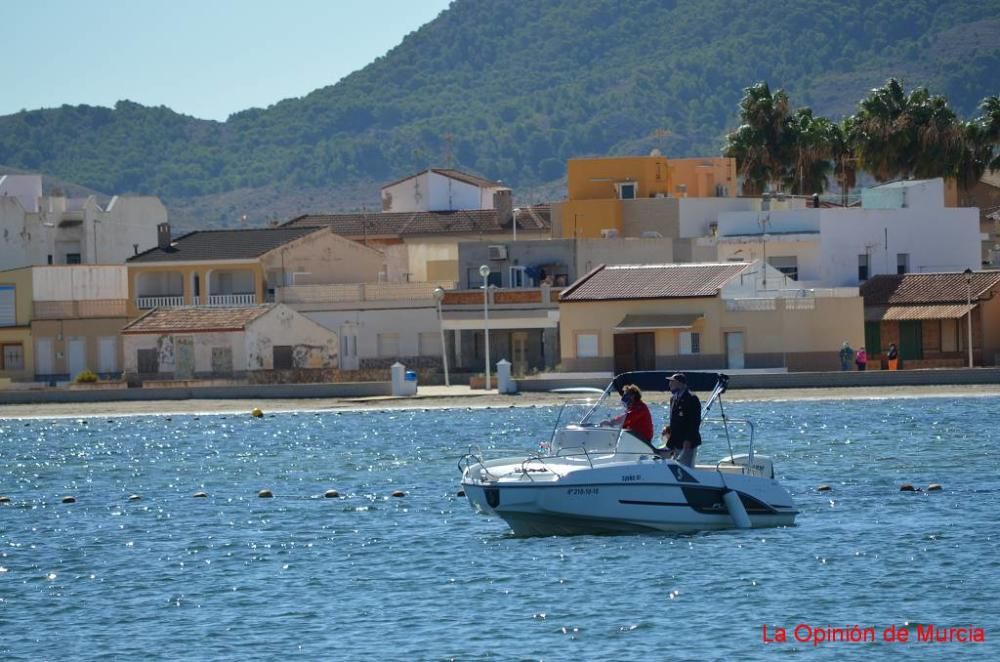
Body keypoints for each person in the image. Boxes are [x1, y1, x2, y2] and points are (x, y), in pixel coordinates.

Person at [659, 373, 702, 467]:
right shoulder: (673, 399)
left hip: (688, 442)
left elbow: (694, 422)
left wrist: (688, 440)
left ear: (679, 383)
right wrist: (668, 429)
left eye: (672, 382)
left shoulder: (691, 398)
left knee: (686, 467)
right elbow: (675, 419)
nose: (669, 384)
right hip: (675, 441)